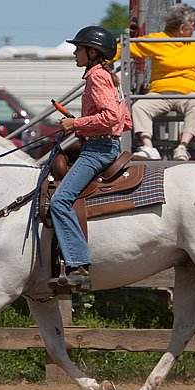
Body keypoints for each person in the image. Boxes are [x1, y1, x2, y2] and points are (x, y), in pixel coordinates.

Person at [48, 26, 132, 289]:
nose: (75, 53)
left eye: (79, 48)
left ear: (92, 52)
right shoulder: (110, 77)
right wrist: (84, 124)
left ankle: (78, 264)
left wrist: (77, 124)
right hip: (104, 145)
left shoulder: (96, 78)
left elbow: (112, 117)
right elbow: (126, 121)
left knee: (60, 201)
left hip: (98, 150)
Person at [117, 2, 195, 161]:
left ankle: (182, 147)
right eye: (194, 24)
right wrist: (102, 58)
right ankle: (148, 148)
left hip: (189, 94)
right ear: (183, 27)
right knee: (139, 107)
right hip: (160, 93)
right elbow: (125, 48)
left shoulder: (194, 45)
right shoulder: (157, 40)